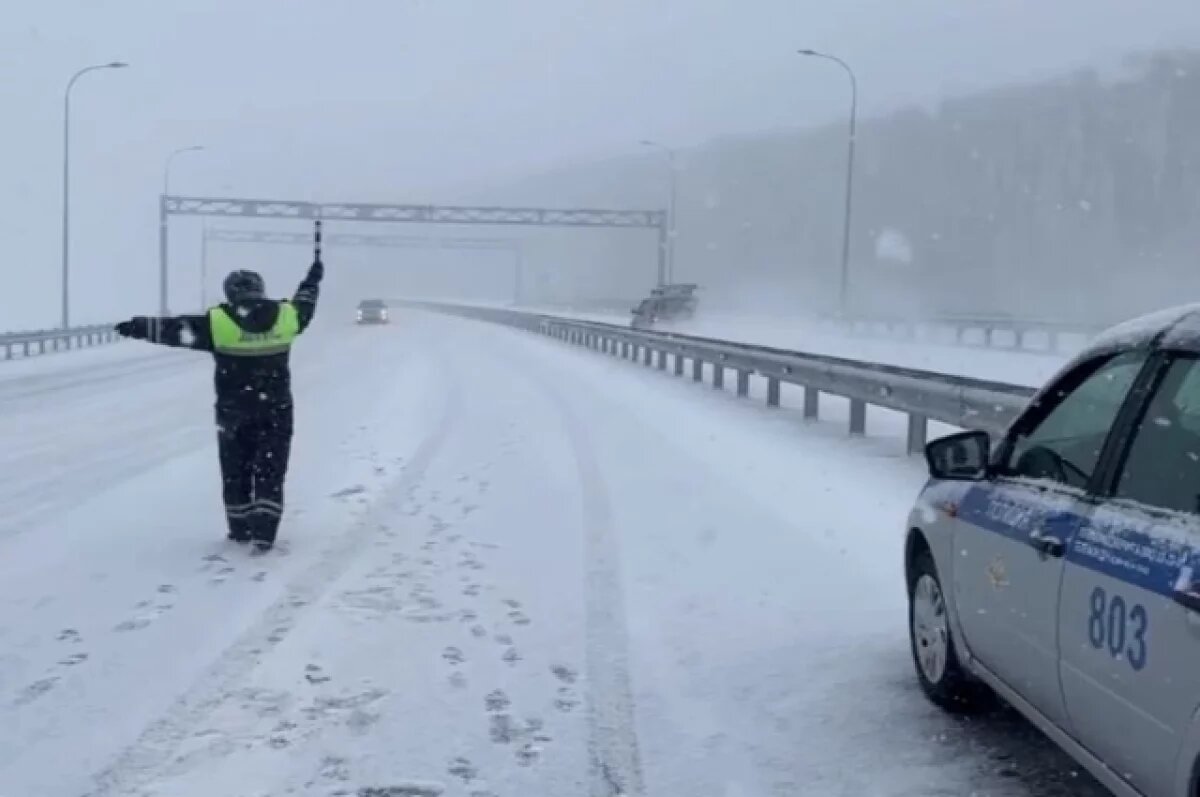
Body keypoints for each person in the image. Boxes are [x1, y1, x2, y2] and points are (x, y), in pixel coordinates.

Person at [114, 259, 323, 552]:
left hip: (233, 412)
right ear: (260, 289)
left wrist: (138, 326)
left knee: (235, 470)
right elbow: (306, 304)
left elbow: (174, 330)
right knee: (271, 470)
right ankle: (265, 532)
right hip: (276, 410)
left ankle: (239, 529)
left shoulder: (218, 322)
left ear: (230, 294)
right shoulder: (286, 317)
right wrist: (312, 280)